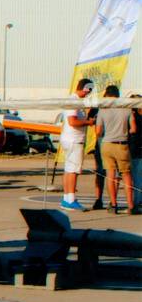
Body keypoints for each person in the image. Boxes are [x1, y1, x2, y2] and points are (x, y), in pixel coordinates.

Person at [95, 85, 138, 214]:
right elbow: (134, 129)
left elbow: (98, 131)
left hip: (107, 144)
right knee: (126, 175)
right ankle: (130, 205)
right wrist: (126, 131)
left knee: (110, 175)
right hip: (121, 144)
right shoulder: (126, 109)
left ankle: (113, 204)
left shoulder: (102, 110)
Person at [59, 78, 94, 211]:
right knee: (73, 170)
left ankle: (67, 197)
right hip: (74, 140)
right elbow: (73, 122)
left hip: (69, 139)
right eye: (88, 91)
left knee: (69, 170)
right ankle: (71, 199)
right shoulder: (74, 102)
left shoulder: (73, 100)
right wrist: (88, 122)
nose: (88, 94)